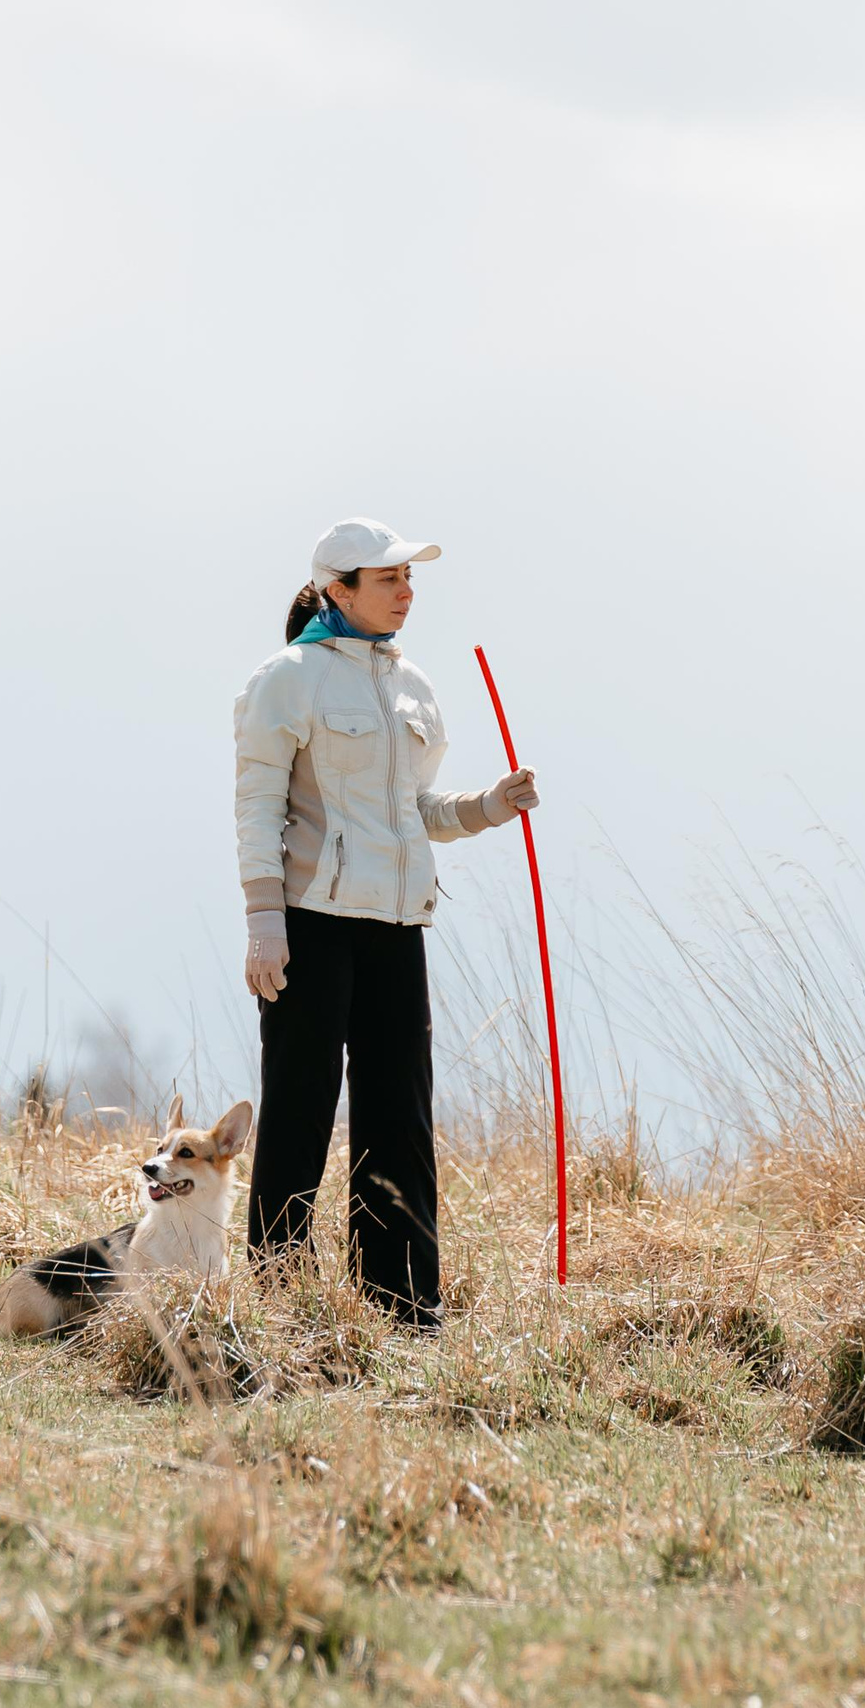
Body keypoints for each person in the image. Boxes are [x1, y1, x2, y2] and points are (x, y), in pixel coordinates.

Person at [231, 518, 539, 1328]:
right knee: (299, 1109)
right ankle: (283, 1303)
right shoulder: (285, 679)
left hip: (399, 925)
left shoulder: (416, 686)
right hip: (309, 923)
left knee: (400, 1112)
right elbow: (258, 804)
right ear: (339, 590)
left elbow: (416, 812)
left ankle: (405, 1307)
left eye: (409, 578)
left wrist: (488, 807)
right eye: (388, 579)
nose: (407, 592)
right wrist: (264, 918)